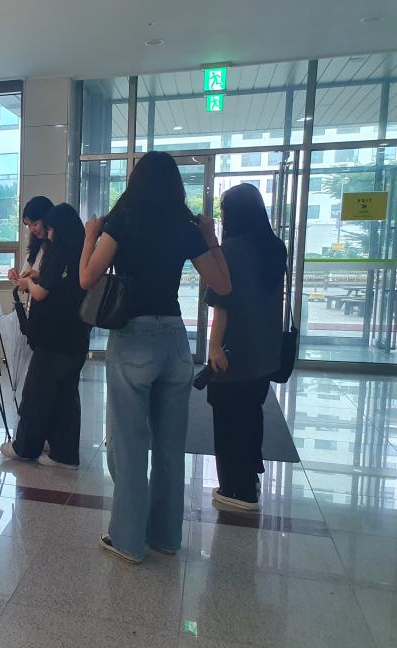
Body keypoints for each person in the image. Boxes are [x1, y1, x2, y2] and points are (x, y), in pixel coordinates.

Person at [79, 151, 232, 563]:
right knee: (169, 446)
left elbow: (87, 277)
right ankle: (165, 536)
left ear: (136, 181)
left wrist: (91, 235)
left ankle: (128, 540)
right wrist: (210, 236)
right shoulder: (185, 226)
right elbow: (223, 284)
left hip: (134, 337)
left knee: (129, 444)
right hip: (176, 340)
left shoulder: (123, 220)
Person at [206, 183, 287, 512]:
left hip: (234, 350)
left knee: (228, 418)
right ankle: (250, 478)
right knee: (252, 413)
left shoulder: (232, 250)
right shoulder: (275, 248)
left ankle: (236, 489)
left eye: (224, 211)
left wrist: (214, 346)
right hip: (265, 351)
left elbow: (222, 305)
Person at [1, 203, 91, 468]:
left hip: (53, 338)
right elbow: (62, 283)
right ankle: (64, 454)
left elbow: (41, 293)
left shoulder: (57, 252)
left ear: (58, 229)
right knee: (66, 398)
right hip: (76, 337)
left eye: (48, 228)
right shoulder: (81, 252)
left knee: (36, 395)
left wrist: (28, 282)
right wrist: (37, 274)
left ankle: (25, 447)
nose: (47, 234)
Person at [8, 195, 54, 283]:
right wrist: (14, 276)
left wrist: (37, 276)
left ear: (47, 220)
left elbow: (56, 280)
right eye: (28, 226)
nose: (32, 230)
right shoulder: (36, 247)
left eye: (34, 224)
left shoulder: (58, 248)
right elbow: (23, 279)